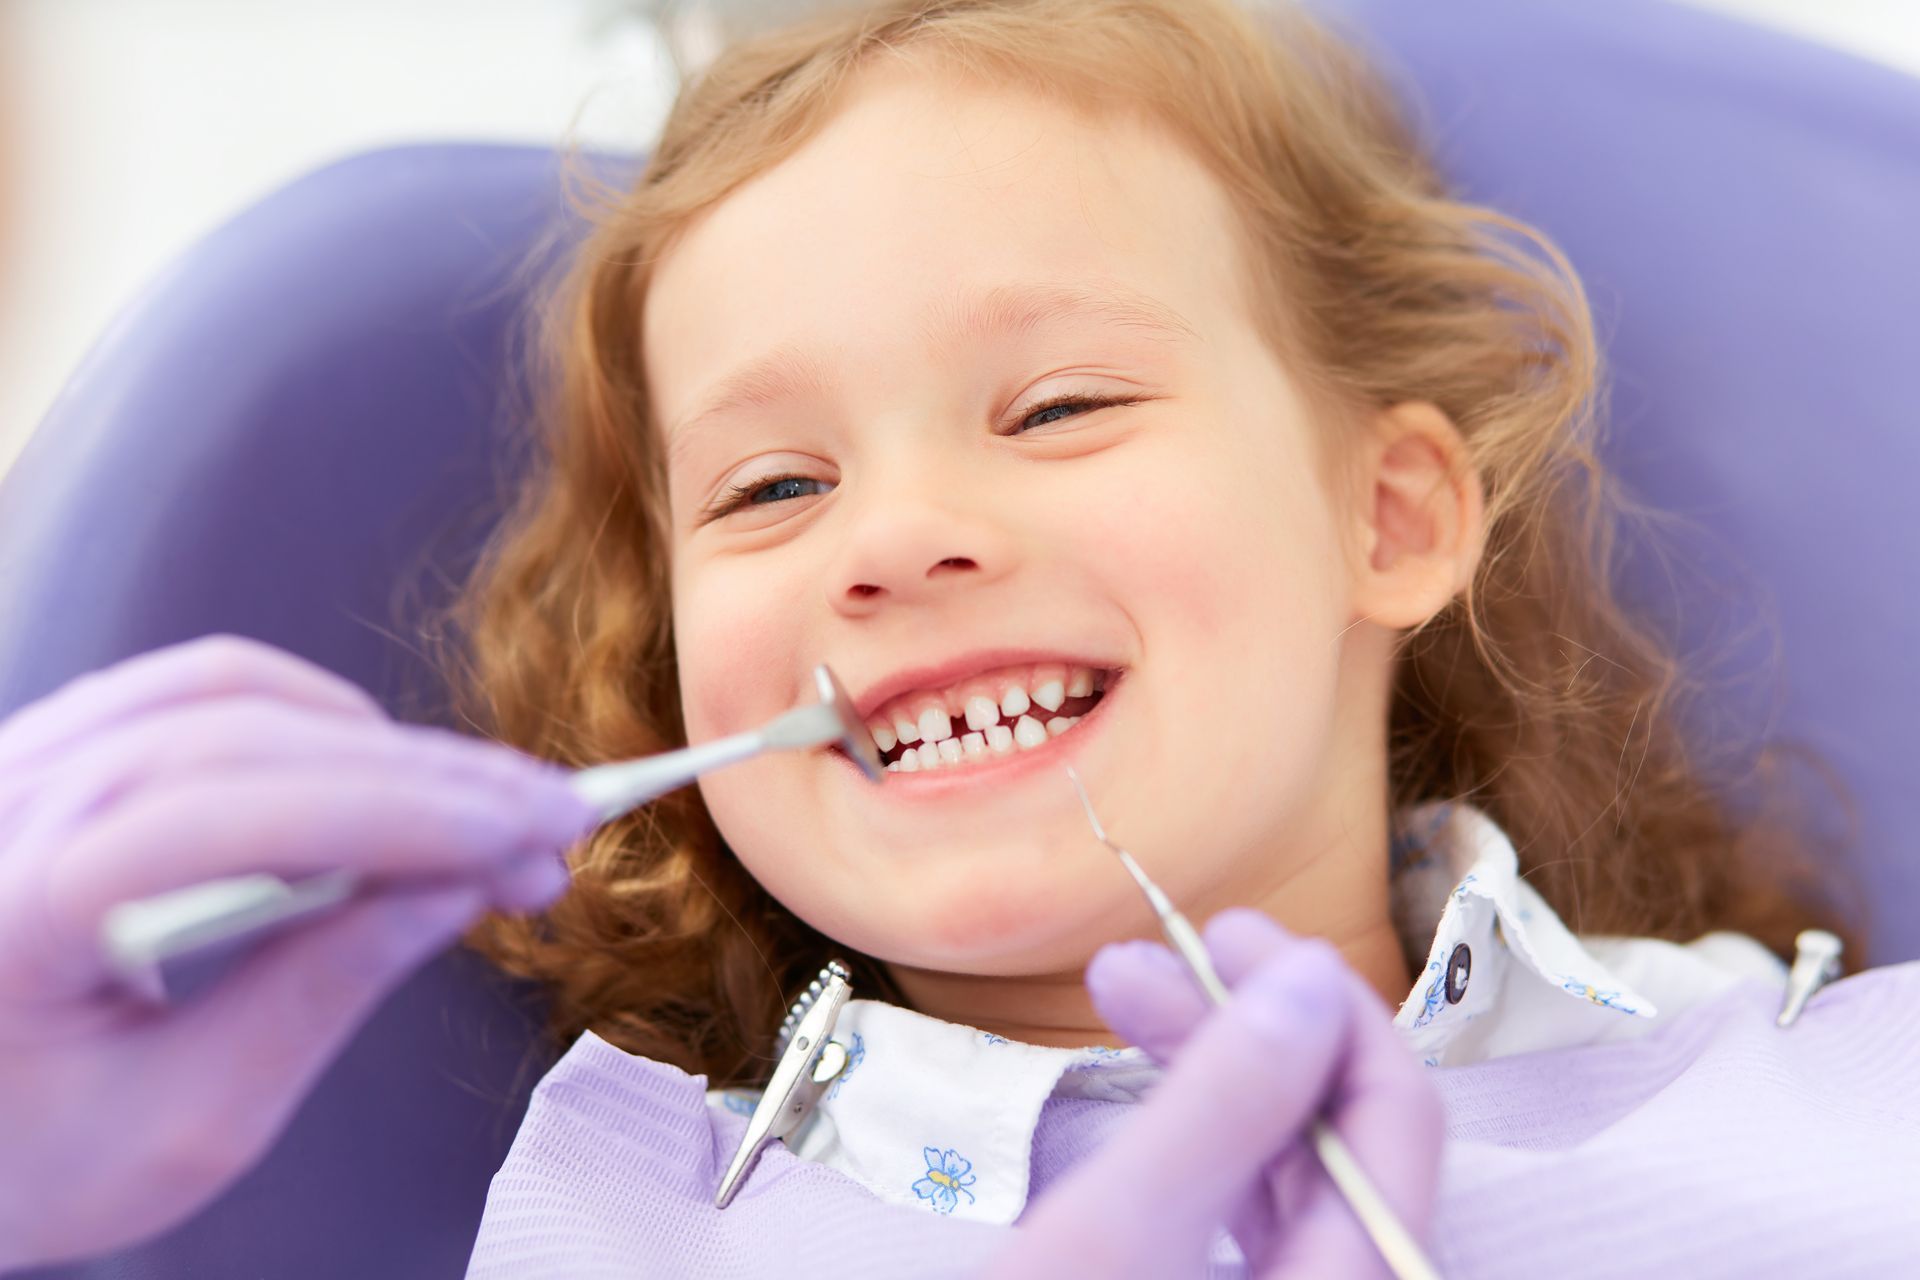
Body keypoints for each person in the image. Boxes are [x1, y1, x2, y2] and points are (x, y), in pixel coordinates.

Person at [3, 0, 1916, 1276]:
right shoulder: (634, 1237)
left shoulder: (1845, 1096)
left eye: (1059, 406)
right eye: (769, 490)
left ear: (1389, 514)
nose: (897, 541)